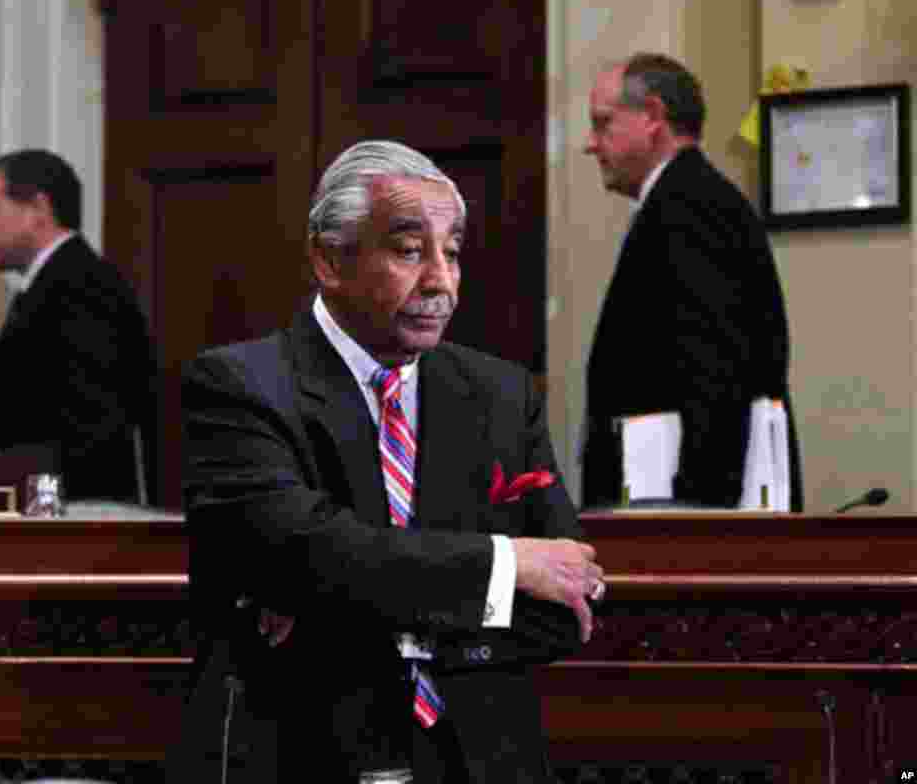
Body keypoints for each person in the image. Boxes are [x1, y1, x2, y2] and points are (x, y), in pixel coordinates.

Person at [173, 140, 604, 783]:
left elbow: (568, 600)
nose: (441, 281)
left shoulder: (502, 395)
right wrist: (505, 566)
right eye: (409, 250)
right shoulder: (240, 386)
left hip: (479, 760)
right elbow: (300, 553)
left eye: (451, 253)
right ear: (329, 258)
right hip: (304, 754)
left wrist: (338, 608)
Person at [581, 53, 803, 510]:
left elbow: (717, 374)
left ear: (653, 117)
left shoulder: (691, 208)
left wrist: (699, 525)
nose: (590, 143)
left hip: (686, 502)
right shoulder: (682, 201)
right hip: (664, 487)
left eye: (603, 123)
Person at [0, 149, 157, 505]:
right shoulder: (55, 283)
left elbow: (91, 423)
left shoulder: (82, 286)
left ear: (39, 209)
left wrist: (43, 511)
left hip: (71, 527)